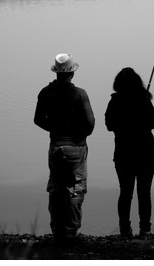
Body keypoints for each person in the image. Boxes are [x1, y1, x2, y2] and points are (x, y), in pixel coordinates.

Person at [34, 54, 95, 242]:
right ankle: (71, 231)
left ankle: (56, 231)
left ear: (57, 73)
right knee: (75, 188)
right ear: (72, 74)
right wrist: (79, 134)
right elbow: (90, 124)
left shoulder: (45, 92)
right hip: (76, 148)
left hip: (56, 146)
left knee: (56, 188)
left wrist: (54, 128)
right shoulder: (80, 94)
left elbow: (38, 120)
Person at [105, 67, 154, 238]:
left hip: (124, 152)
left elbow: (109, 125)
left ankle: (125, 230)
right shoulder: (144, 99)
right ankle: (145, 229)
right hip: (146, 151)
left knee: (125, 192)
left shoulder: (115, 101)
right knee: (145, 192)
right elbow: (153, 123)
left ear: (118, 84)